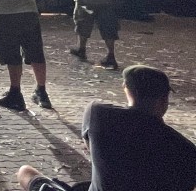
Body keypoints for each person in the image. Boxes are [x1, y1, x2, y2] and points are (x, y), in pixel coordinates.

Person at [17, 65, 196, 191]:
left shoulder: (98, 114)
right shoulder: (186, 150)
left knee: (25, 172)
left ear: (126, 89)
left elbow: (90, 148)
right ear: (164, 99)